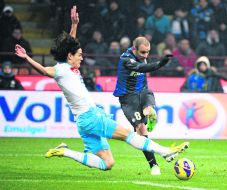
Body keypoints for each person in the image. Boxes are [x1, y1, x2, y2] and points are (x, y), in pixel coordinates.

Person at [15, 6, 189, 172]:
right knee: (129, 135)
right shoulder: (60, 70)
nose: (82, 57)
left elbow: (69, 46)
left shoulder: (67, 65)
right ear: (70, 57)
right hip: (92, 117)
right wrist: (27, 58)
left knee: (107, 163)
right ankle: (165, 151)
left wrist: (74, 25)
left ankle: (64, 151)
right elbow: (44, 70)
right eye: (79, 55)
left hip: (83, 123)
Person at [113, 36, 174, 175]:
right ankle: (154, 165)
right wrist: (160, 63)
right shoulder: (126, 59)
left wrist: (146, 92)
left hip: (143, 92)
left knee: (147, 110)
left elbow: (144, 72)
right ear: (135, 49)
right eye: (143, 52)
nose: (145, 55)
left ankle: (150, 112)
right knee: (140, 129)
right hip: (128, 98)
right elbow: (142, 68)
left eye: (148, 52)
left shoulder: (142, 56)